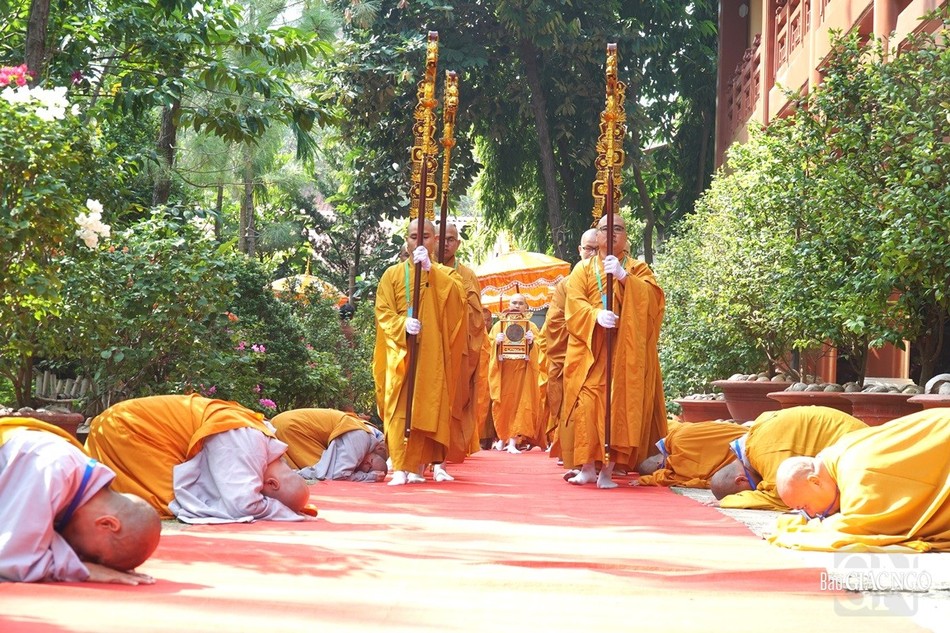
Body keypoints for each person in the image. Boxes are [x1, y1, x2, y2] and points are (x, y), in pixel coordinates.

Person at [85, 394, 312, 523]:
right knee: (176, 503)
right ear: (271, 484)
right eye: (264, 494)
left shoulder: (260, 436)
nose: (259, 492)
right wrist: (283, 513)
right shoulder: (246, 441)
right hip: (128, 429)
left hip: (125, 423)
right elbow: (242, 504)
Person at [561, 214, 667, 488]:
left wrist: (625, 279)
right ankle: (586, 467)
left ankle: (607, 471)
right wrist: (594, 315)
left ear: (626, 236)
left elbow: (654, 302)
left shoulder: (638, 268)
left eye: (618, 229)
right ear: (596, 236)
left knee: (617, 408)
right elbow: (573, 303)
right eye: (605, 229)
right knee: (588, 404)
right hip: (592, 353)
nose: (611, 234)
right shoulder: (582, 270)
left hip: (624, 353)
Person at [1, 417, 161, 584]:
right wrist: (80, 569)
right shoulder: (55, 469)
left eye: (85, 559)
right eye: (92, 557)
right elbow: (11, 561)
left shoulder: (77, 479)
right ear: (107, 524)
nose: (79, 556)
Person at [770, 408, 950, 551]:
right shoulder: (840, 450)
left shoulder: (855, 473)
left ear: (815, 481)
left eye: (804, 507)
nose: (809, 515)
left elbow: (858, 526)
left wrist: (803, 531)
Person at [373, 218, 466, 486]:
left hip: (431, 353)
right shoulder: (391, 275)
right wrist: (402, 324)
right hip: (400, 351)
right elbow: (383, 311)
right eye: (413, 236)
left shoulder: (446, 275)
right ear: (406, 240)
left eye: (425, 236)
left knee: (427, 404)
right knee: (398, 406)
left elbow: (457, 308)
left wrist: (430, 272)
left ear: (434, 240)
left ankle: (419, 466)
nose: (419, 242)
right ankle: (400, 466)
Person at [709, 405, 866, 510]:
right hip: (854, 438)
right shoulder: (754, 440)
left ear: (741, 480)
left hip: (858, 449)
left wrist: (733, 501)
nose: (757, 489)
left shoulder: (762, 452)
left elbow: (780, 494)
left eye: (747, 491)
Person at [434, 222, 486, 479]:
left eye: (451, 239)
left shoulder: (467, 275)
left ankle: (440, 462)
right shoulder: (420, 270)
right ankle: (415, 459)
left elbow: (477, 318)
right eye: (441, 238)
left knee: (452, 403)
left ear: (458, 243)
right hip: (428, 349)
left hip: (456, 351)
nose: (445, 243)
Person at [542, 228, 599, 464]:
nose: (592, 253)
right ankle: (571, 451)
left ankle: (600, 455)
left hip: (600, 352)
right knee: (571, 402)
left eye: (597, 248)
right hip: (571, 354)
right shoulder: (566, 284)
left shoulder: (611, 278)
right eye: (588, 248)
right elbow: (554, 323)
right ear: (579, 250)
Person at [488, 293, 545, 454]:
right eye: (514, 302)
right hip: (503, 372)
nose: (516, 306)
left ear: (526, 307)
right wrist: (496, 344)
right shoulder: (499, 326)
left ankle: (513, 440)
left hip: (522, 373)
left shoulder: (531, 327)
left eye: (521, 303)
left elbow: (540, 351)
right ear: (508, 304)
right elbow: (488, 347)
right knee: (502, 404)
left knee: (519, 405)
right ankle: (501, 438)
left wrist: (532, 342)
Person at [270, 408, 388, 482]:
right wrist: (369, 477)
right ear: (369, 462)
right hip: (291, 427)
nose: (360, 470)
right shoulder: (361, 439)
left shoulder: (363, 435)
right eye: (366, 470)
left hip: (285, 423)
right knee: (322, 472)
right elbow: (339, 474)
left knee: (325, 467)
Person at [635, 419, 749, 488]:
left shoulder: (677, 452)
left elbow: (684, 479)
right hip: (746, 433)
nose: (666, 469)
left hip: (746, 445)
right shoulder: (678, 431)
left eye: (662, 467)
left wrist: (648, 480)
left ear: (660, 462)